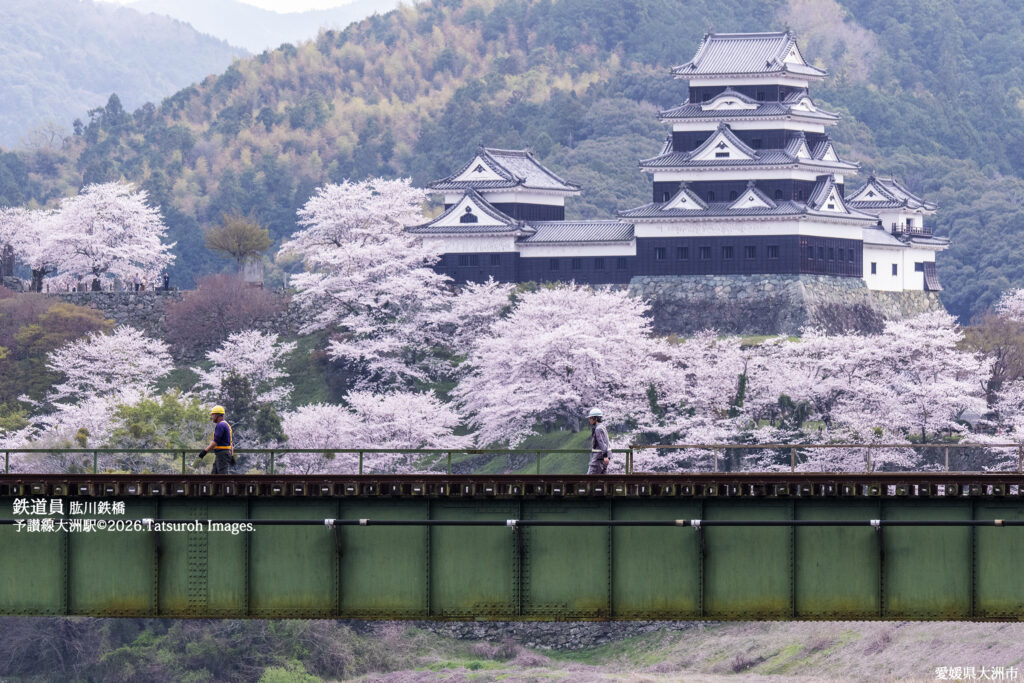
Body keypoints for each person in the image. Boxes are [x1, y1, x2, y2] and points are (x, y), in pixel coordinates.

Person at [194, 405, 235, 474]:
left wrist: (204, 451)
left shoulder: (220, 425)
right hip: (223, 454)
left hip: (222, 454)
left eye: (212, 415)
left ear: (217, 415)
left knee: (222, 476)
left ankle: (226, 485)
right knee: (214, 475)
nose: (211, 417)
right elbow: (231, 443)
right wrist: (232, 455)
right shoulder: (226, 425)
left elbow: (215, 442)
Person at [586, 407, 610, 474]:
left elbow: (601, 443)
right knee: (603, 477)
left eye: (590, 418)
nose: (589, 420)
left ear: (595, 418)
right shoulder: (602, 427)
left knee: (590, 476)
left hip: (599, 456)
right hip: (603, 455)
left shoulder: (598, 429)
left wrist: (605, 456)